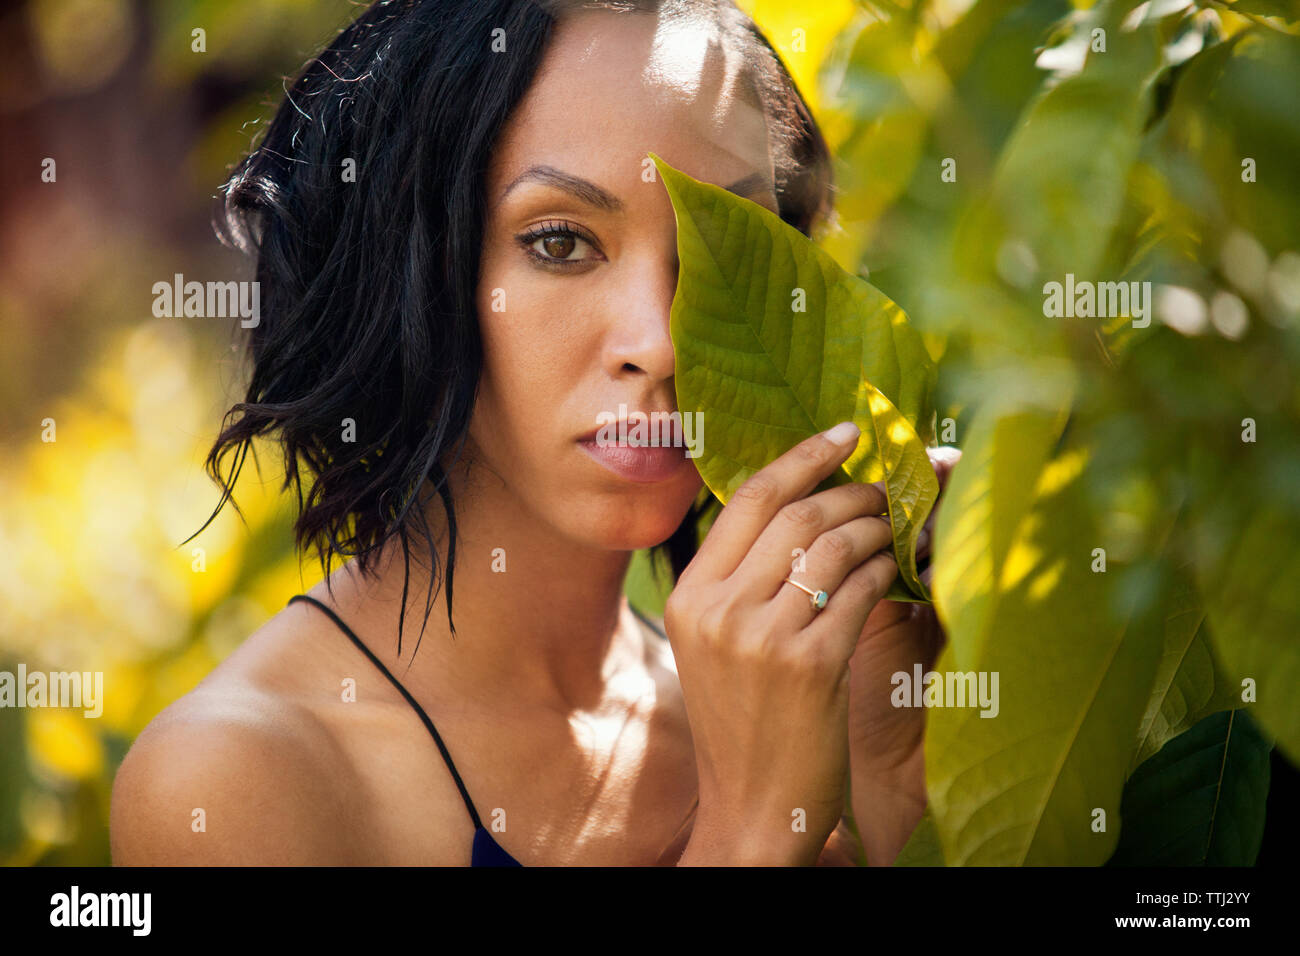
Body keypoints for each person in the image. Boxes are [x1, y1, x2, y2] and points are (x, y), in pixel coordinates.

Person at [110, 0, 957, 866]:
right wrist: (747, 833)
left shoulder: (774, 707)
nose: (660, 342)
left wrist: (888, 787)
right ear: (413, 265)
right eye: (560, 243)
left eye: (721, 252)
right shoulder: (237, 779)